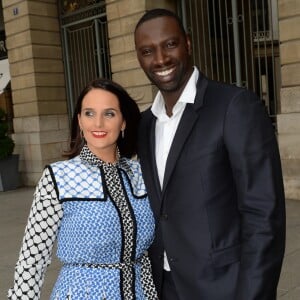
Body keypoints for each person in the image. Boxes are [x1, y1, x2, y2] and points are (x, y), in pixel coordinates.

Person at [134, 8, 286, 300]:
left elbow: (263, 216)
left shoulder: (235, 107)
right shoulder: (144, 125)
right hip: (162, 288)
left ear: (187, 43)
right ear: (139, 58)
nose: (161, 59)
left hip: (223, 289)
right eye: (147, 51)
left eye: (169, 44)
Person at [8, 78, 158, 299]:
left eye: (109, 114)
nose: (98, 123)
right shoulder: (59, 177)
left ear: (123, 122)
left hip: (141, 292)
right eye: (89, 113)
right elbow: (33, 257)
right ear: (79, 120)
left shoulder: (142, 173)